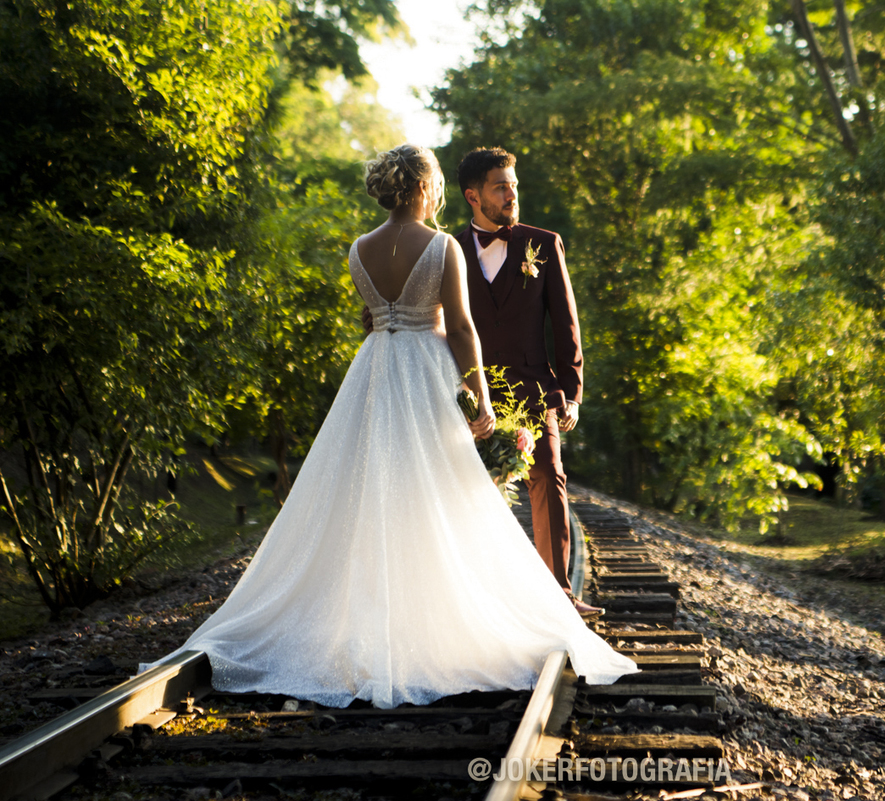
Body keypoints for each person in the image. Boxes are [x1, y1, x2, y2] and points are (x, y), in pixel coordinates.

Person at [139, 145, 638, 707]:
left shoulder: (359, 249)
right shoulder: (444, 245)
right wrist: (479, 395)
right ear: (426, 188)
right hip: (427, 369)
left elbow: (369, 318)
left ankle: (375, 611)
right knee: (446, 495)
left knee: (372, 493)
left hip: (374, 370)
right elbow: (465, 329)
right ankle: (442, 613)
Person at [362, 147, 600, 617]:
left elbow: (566, 326)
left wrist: (571, 392)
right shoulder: (438, 247)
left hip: (533, 389)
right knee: (461, 490)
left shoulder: (544, 244)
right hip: (459, 391)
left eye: (513, 184)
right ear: (472, 195)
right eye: (500, 186)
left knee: (547, 475)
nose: (512, 193)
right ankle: (477, 600)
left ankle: (559, 596)